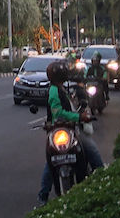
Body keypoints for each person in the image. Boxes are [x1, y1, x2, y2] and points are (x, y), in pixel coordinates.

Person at [37, 60, 105, 204]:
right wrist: (79, 117)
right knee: (54, 159)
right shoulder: (54, 91)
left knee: (55, 160)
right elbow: (59, 113)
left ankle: (100, 179)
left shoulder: (60, 89)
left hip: (68, 128)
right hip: (60, 129)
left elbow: (68, 107)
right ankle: (103, 178)